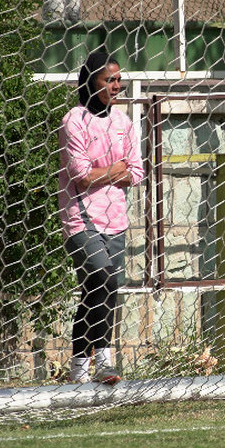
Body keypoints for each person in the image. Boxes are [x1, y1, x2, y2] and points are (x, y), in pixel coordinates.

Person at [58, 49, 145, 384]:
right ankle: (105, 362)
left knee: (97, 289)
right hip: (80, 218)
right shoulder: (74, 121)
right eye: (110, 80)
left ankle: (78, 371)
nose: (116, 85)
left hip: (116, 220)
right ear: (91, 82)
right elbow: (81, 176)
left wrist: (110, 172)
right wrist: (115, 169)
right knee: (105, 279)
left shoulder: (123, 123)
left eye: (119, 79)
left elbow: (136, 172)